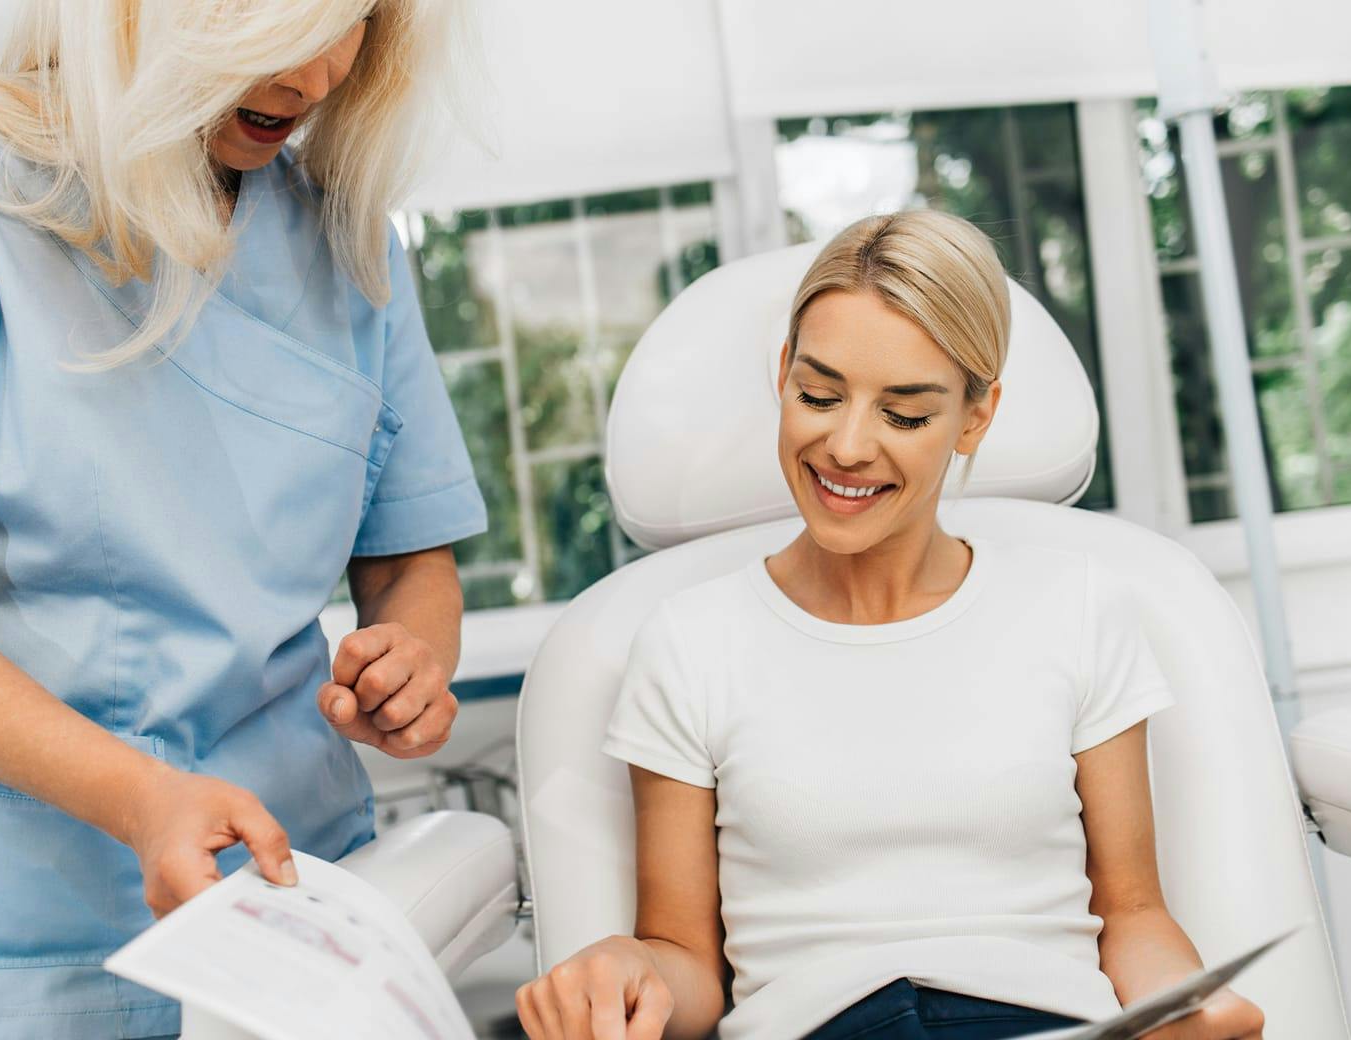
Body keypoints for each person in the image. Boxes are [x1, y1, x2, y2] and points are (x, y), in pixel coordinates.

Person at [0, 1, 482, 1036]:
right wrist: (142, 796)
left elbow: (408, 563)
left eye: (353, 19)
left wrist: (414, 656)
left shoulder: (346, 242)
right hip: (3, 959)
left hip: (288, 918)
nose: (317, 73)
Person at [514, 212, 1269, 1040]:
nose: (846, 446)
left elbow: (1132, 914)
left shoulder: (1080, 605)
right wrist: (631, 968)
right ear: (783, 376)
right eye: (818, 395)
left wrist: (1191, 1009)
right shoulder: (687, 643)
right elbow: (686, 958)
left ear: (976, 418)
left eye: (905, 415)